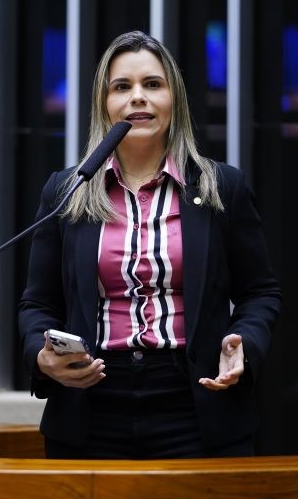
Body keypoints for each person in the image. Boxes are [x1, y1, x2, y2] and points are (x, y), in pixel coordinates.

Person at [18, 30, 281, 459]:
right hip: (92, 404)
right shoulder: (66, 191)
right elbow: (36, 304)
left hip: (195, 403)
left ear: (173, 99)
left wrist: (244, 343)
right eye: (122, 87)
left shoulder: (222, 187)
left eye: (153, 85)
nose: (137, 98)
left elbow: (260, 293)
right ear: (104, 104)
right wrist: (41, 358)